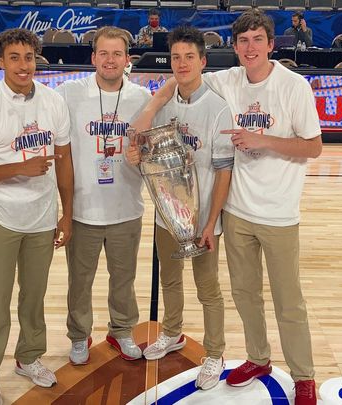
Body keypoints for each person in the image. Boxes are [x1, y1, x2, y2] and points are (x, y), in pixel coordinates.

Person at [132, 9, 322, 405]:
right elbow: (179, 77)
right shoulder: (227, 80)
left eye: (258, 40)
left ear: (271, 44)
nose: (250, 48)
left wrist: (263, 139)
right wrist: (149, 110)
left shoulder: (294, 86)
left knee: (288, 300)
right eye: (243, 41)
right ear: (234, 47)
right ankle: (259, 358)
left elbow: (313, 147)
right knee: (245, 293)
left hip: (279, 212)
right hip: (236, 211)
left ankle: (304, 376)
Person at [0, 26, 152, 365]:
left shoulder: (142, 98)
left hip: (127, 207)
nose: (110, 60)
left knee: (124, 279)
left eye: (117, 54)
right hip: (84, 209)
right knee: (80, 281)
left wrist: (143, 153)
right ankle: (79, 335)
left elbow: (152, 144)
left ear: (127, 59)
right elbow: (27, 98)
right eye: (104, 53)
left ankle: (122, 330)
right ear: (93, 58)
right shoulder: (68, 93)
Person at [0, 28, 74, 405]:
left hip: (42, 216)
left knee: (34, 295)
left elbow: (64, 161)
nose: (23, 65)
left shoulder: (54, 102)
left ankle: (28, 357)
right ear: (1, 62)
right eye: (14, 58)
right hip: (0, 216)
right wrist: (18, 169)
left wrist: (67, 213)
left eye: (29, 57)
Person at [125, 26, 234, 391]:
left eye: (189, 57)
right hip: (166, 215)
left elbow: (224, 172)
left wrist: (212, 222)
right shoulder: (163, 105)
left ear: (203, 61)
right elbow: (139, 142)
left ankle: (215, 352)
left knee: (208, 288)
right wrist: (137, 151)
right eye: (176, 57)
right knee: (170, 280)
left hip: (203, 220)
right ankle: (172, 332)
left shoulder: (218, 108)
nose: (182, 63)